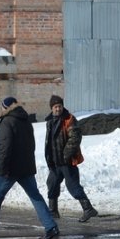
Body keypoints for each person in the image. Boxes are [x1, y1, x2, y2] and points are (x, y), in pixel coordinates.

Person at [0, 96, 59, 239]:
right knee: (35, 196)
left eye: (2, 107)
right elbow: (31, 145)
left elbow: (4, 148)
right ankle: (51, 226)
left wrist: (2, 169)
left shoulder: (7, 122)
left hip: (10, 169)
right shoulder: (26, 120)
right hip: (26, 167)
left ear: (6, 108)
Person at [44, 94, 98, 222]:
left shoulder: (69, 119)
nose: (58, 109)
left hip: (67, 161)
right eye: (56, 107)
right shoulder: (50, 121)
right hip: (55, 161)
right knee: (52, 183)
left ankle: (88, 209)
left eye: (60, 106)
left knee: (73, 186)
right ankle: (53, 211)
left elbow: (75, 138)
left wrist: (66, 154)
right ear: (52, 108)